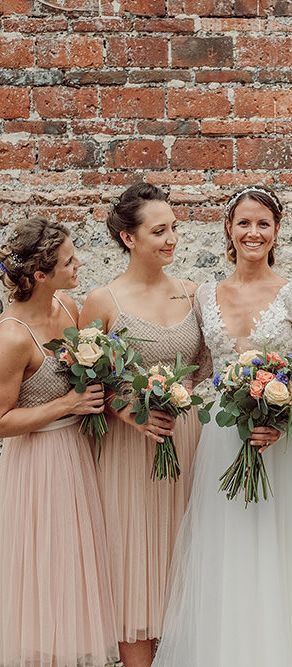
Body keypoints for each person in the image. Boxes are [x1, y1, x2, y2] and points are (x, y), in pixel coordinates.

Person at [153, 185, 292, 666]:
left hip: (279, 443)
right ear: (228, 229)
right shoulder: (204, 296)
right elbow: (201, 372)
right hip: (222, 439)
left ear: (277, 230)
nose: (253, 232)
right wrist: (169, 394)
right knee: (226, 550)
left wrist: (282, 419)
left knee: (278, 552)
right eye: (244, 223)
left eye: (263, 223)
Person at [79, 183, 205, 667]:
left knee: (187, 564)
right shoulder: (103, 300)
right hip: (132, 452)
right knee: (136, 571)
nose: (171, 239)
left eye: (174, 228)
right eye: (159, 231)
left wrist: (186, 396)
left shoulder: (193, 294)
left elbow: (208, 370)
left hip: (189, 442)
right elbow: (90, 381)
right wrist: (128, 410)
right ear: (128, 238)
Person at [0, 218, 118, 667]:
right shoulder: (11, 336)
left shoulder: (68, 307)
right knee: (46, 573)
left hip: (79, 454)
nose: (79, 264)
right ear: (39, 276)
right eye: (69, 260)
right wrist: (65, 405)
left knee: (77, 573)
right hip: (38, 464)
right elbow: (2, 420)